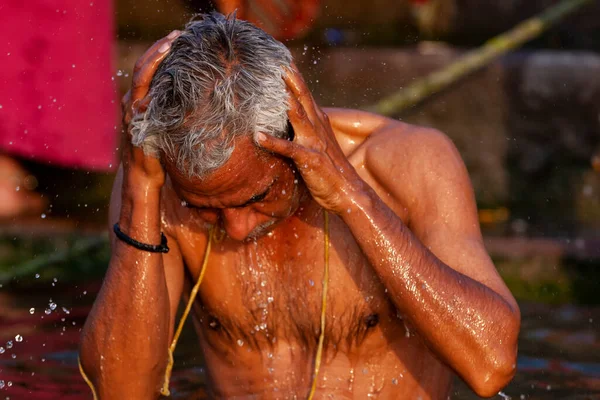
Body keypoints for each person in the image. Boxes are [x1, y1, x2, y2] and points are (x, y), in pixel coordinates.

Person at [79, 12, 520, 399]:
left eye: (256, 197)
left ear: (293, 139)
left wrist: (349, 195)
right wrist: (139, 191)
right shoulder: (154, 183)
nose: (234, 228)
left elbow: (490, 366)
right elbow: (120, 394)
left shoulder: (405, 163)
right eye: (207, 209)